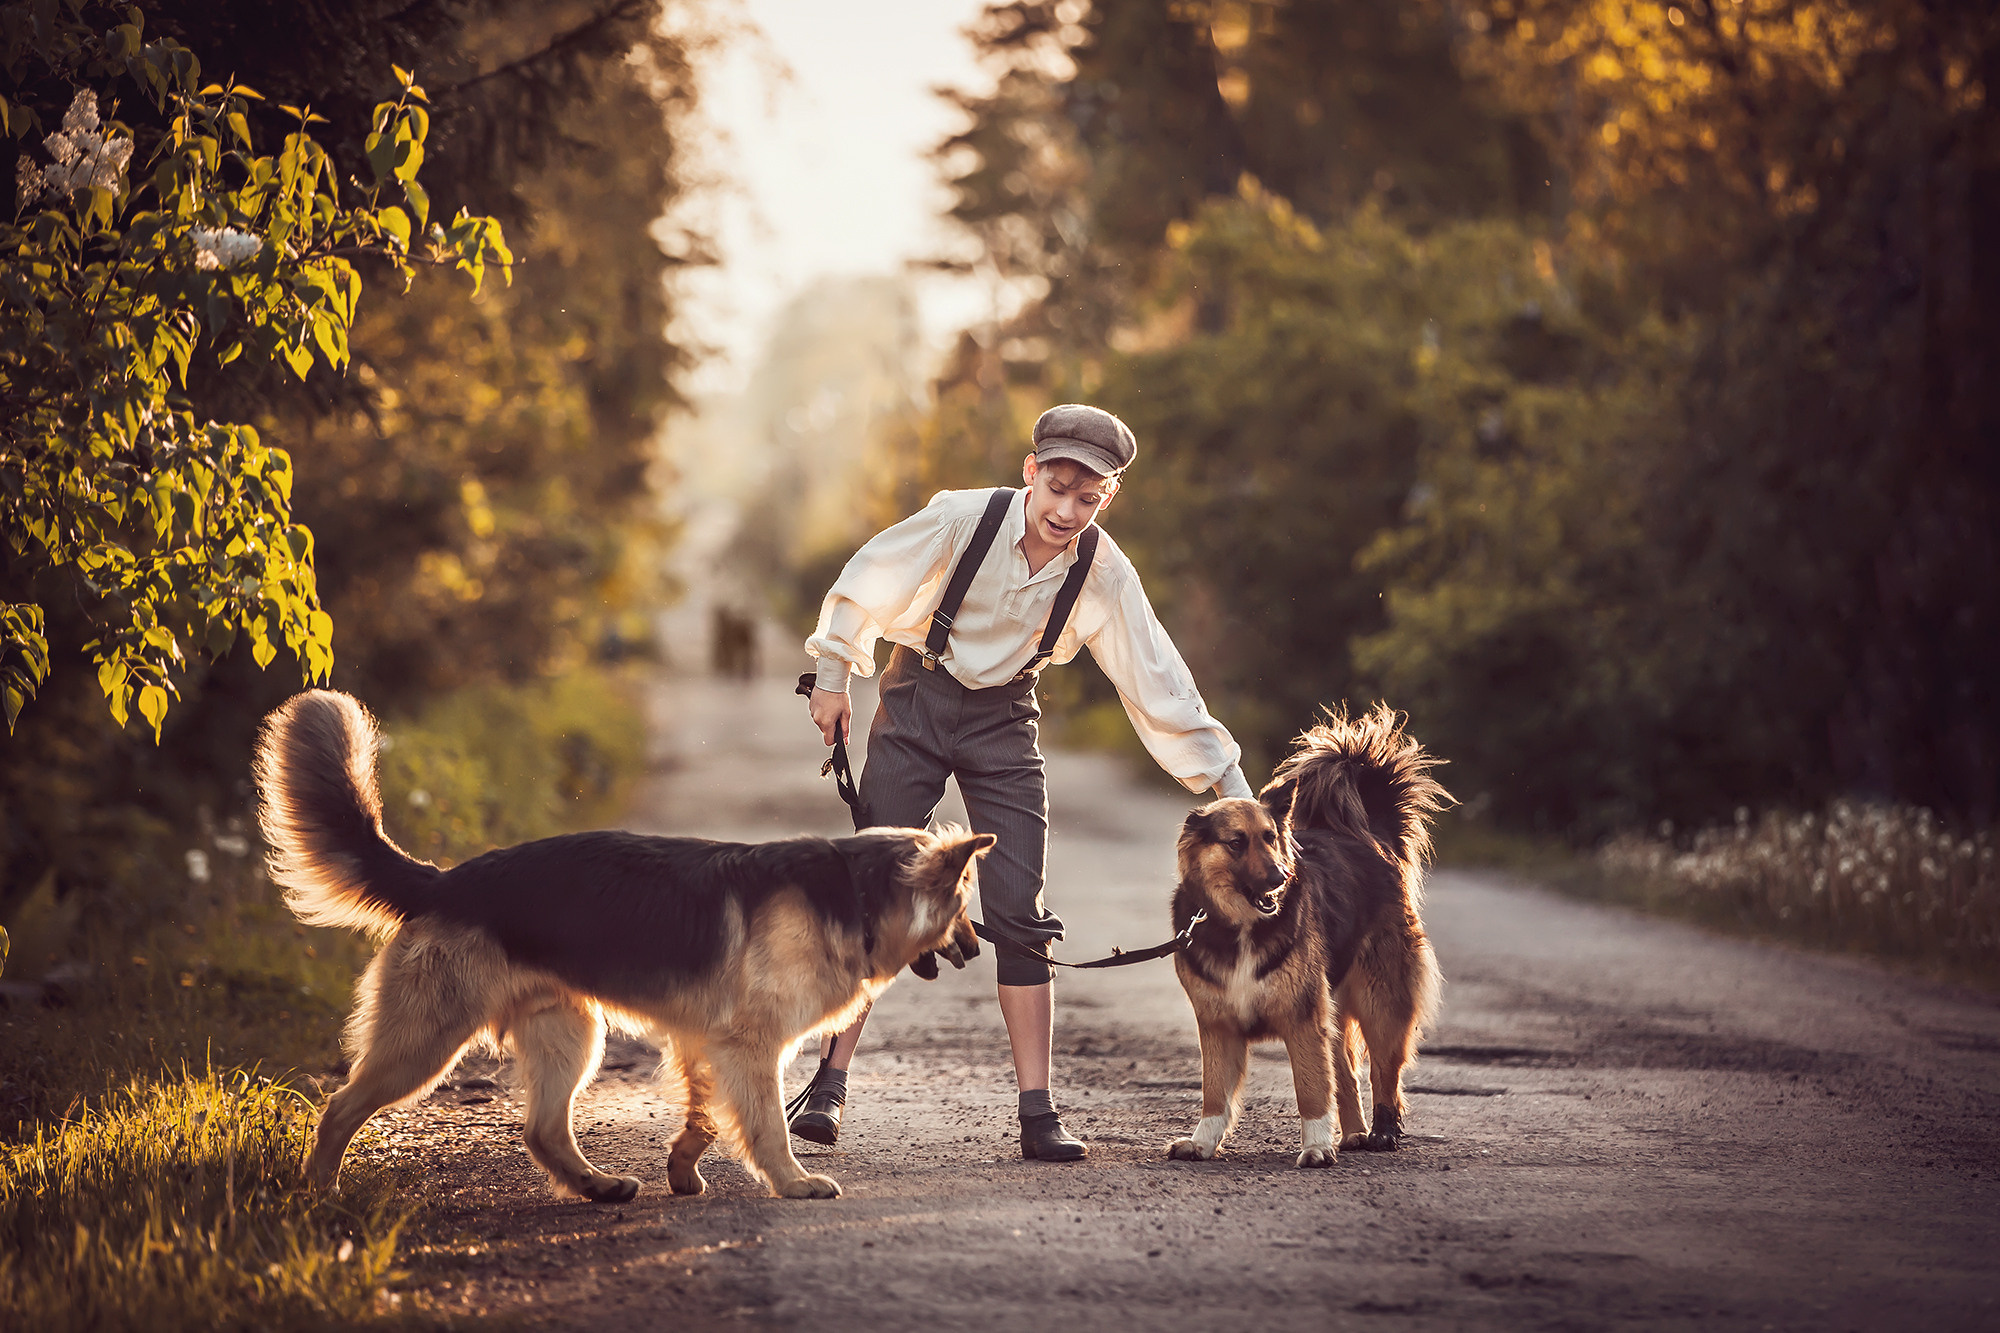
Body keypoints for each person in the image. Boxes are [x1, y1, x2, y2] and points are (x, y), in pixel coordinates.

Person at [794, 403, 1253, 1161]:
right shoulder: (962, 520)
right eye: (1059, 488)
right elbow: (866, 577)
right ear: (1031, 473)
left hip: (1006, 718)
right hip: (917, 698)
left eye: (1089, 496)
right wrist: (836, 674)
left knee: (1019, 905)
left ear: (1108, 497)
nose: (1069, 510)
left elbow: (1158, 680)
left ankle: (1037, 1112)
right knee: (874, 888)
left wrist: (1229, 787)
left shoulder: (1103, 569)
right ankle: (828, 1085)